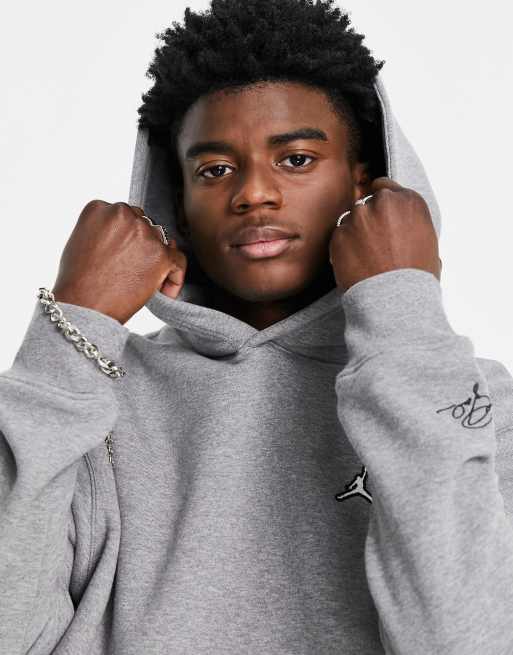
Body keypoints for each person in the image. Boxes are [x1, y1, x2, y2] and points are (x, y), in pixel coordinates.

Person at [1, 0, 512, 653]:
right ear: (178, 204)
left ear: (362, 184)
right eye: (214, 170)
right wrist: (73, 323)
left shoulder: (474, 404)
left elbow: (469, 639)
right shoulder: (88, 398)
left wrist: (401, 312)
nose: (253, 194)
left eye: (295, 158)